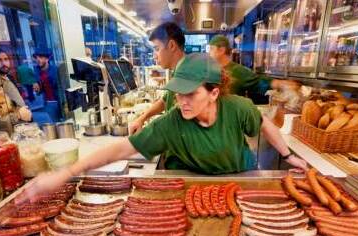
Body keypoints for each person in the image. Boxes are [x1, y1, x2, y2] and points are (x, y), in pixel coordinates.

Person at [17, 54, 309, 202]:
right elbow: (121, 149)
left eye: (190, 93)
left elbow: (264, 124)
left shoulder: (238, 109)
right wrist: (66, 173)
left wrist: (288, 154)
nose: (181, 101)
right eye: (178, 93)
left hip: (239, 183)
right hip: (193, 190)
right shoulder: (172, 122)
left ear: (214, 93)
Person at [128, 22, 187, 135]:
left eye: (157, 48)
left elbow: (176, 117)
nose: (155, 55)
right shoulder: (178, 71)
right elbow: (166, 100)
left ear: (171, 46)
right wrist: (142, 118)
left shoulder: (187, 75)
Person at [208, 35, 300, 104]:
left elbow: (259, 82)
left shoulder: (237, 71)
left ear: (221, 50)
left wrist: (281, 84)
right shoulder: (210, 69)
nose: (209, 52)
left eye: (211, 49)